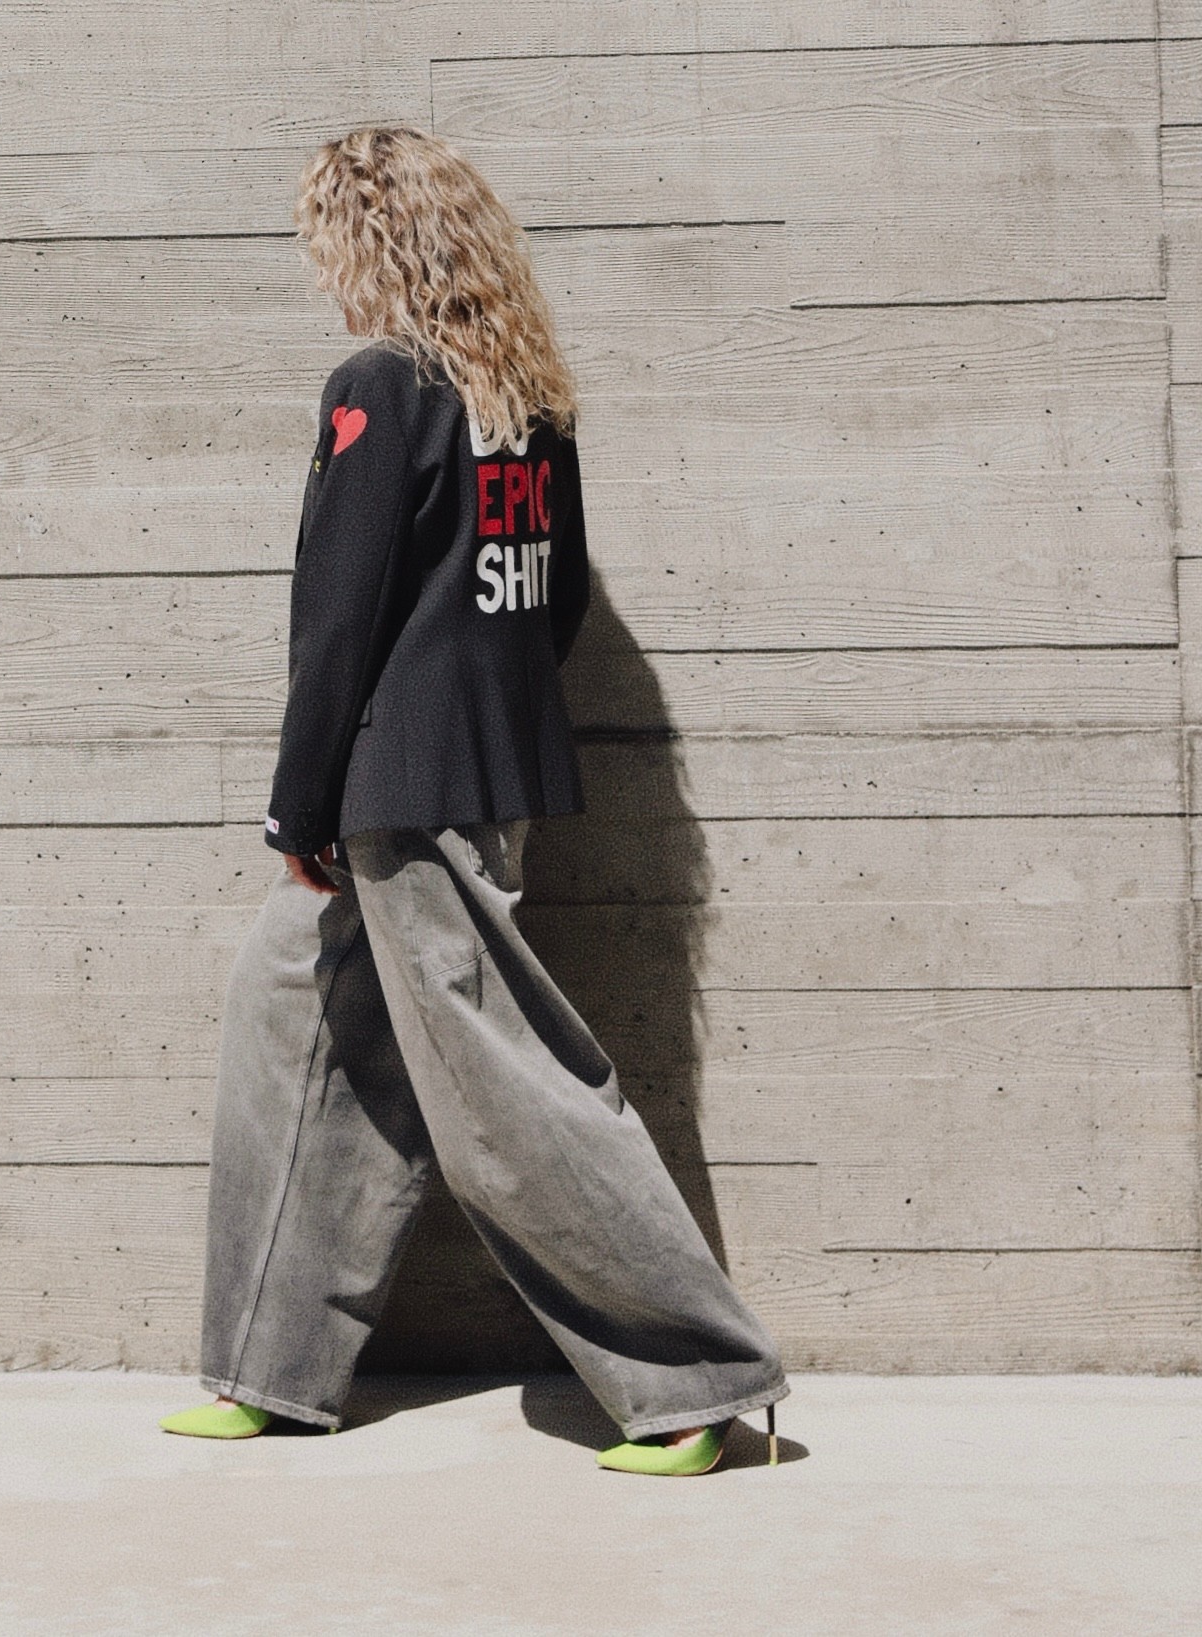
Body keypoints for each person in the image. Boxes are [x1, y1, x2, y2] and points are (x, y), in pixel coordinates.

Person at [159, 127, 788, 1477]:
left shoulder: (377, 388)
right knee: (296, 1021)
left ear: (363, 239)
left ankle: (695, 1381)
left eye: (324, 237)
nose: (320, 268)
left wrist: (298, 806)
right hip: (475, 775)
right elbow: (547, 606)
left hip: (398, 791)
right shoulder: (522, 393)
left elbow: (337, 622)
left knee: (508, 1097)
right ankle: (270, 1363)